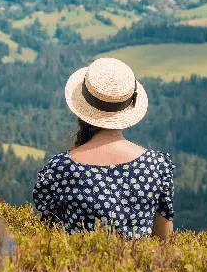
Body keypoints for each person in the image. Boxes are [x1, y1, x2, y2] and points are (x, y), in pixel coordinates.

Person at [32, 57, 175, 240]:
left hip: (79, 268)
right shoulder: (157, 165)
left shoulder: (61, 168)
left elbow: (48, 241)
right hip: (139, 268)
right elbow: (165, 243)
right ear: (128, 107)